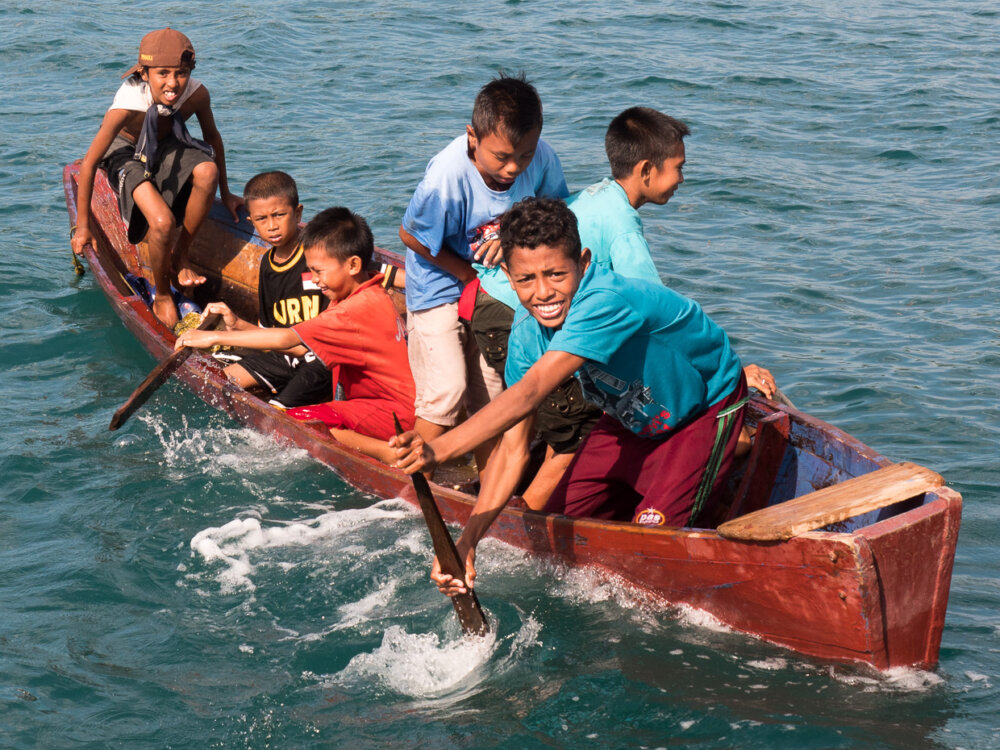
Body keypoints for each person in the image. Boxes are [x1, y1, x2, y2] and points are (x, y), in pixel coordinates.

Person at [391, 197, 748, 596]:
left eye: (557, 274)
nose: (544, 293)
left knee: (651, 548)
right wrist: (467, 543)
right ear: (507, 275)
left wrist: (437, 450)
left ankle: (732, 444)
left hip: (701, 408)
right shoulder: (526, 336)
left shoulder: (604, 300)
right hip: (631, 415)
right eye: (527, 279)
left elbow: (530, 392)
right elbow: (512, 449)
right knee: (555, 532)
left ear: (583, 261)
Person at [398, 72, 568, 476]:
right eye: (502, 157)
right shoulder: (447, 176)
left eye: (523, 157)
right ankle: (409, 481)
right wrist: (466, 276)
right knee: (446, 390)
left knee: (492, 401)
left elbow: (557, 214)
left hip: (494, 291)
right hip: (439, 285)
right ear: (472, 137)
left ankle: (482, 490)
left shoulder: (541, 157)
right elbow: (411, 235)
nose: (513, 169)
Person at [178, 207, 414, 464]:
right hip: (396, 407)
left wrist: (214, 338)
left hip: (391, 414)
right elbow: (302, 349)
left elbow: (286, 339)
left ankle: (389, 453)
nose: (315, 280)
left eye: (319, 271)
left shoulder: (352, 310)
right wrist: (239, 325)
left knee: (298, 423)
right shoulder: (369, 289)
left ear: (354, 265)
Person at [71, 28, 243, 328]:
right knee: (161, 222)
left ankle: (181, 255)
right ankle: (163, 293)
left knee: (207, 170)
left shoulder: (197, 94)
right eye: (162, 73)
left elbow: (213, 139)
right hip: (124, 151)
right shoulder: (128, 102)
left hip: (166, 143)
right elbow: (89, 163)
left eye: (182, 73)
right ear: (144, 73)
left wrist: (226, 193)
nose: (173, 83)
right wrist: (83, 228)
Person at [198, 171, 334, 409]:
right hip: (284, 356)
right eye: (262, 219)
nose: (272, 226)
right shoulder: (266, 266)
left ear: (298, 213)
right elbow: (269, 335)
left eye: (279, 215)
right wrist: (236, 323)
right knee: (214, 379)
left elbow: (378, 275)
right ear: (251, 222)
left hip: (319, 361)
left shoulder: (317, 254)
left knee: (278, 413)